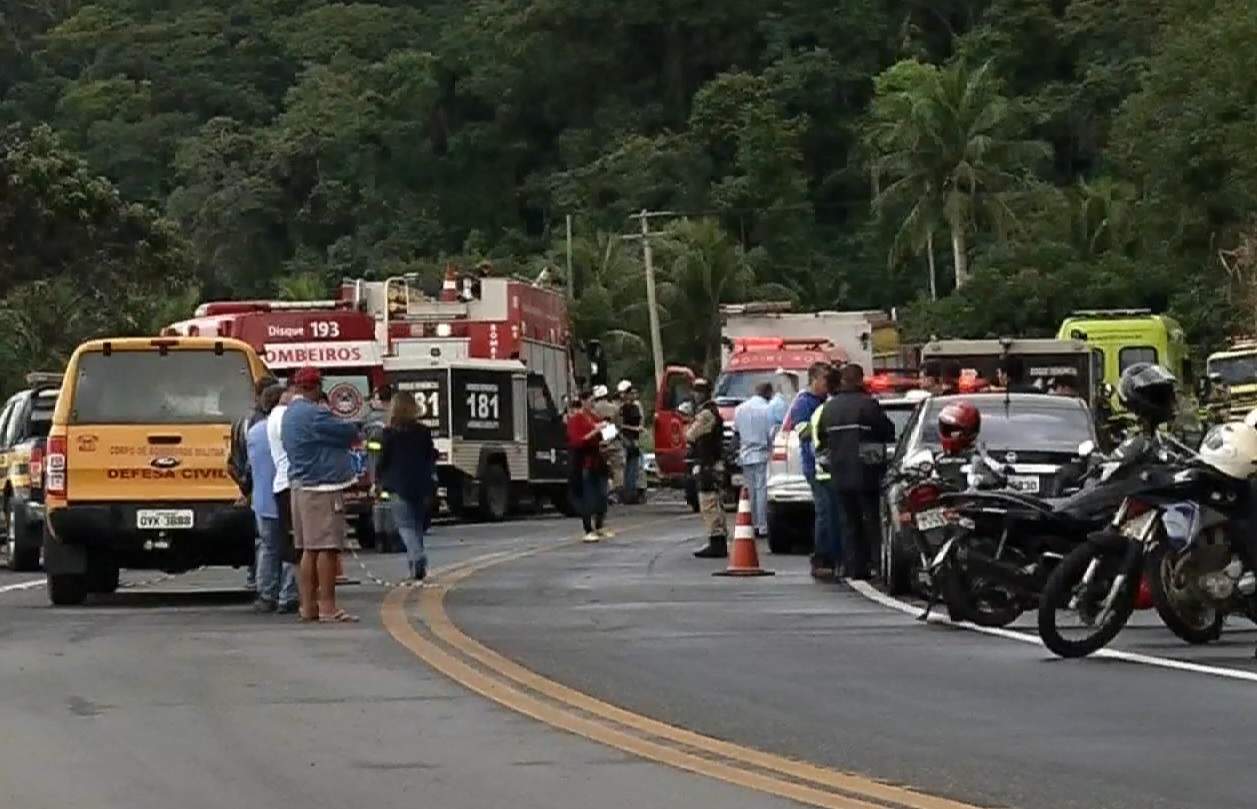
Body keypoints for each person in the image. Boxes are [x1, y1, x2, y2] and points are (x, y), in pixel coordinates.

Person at [282, 366, 362, 623]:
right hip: (322, 488)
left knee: (307, 550)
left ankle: (308, 606)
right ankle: (328, 606)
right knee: (327, 548)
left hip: (301, 486)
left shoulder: (290, 413)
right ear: (314, 386)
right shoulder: (314, 414)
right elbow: (349, 433)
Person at [817, 363, 895, 581]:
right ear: (860, 380)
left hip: (840, 473)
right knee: (872, 521)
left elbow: (822, 439)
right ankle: (878, 566)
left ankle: (855, 568)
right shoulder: (868, 405)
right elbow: (888, 432)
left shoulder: (829, 409)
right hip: (867, 472)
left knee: (848, 522)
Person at [376, 391, 437, 583]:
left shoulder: (388, 434)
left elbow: (382, 460)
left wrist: (378, 480)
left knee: (405, 526)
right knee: (417, 526)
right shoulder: (423, 432)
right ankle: (415, 568)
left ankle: (417, 558)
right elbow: (431, 456)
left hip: (397, 485)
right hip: (422, 484)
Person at [247, 384, 299, 614]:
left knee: (268, 548)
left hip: (261, 499)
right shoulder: (286, 430)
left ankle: (266, 593)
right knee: (291, 548)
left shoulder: (254, 432)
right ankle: (288, 595)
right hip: (285, 496)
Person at [786, 363, 835, 578]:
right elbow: (803, 432)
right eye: (825, 380)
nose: (828, 384)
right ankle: (821, 556)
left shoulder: (826, 401)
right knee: (824, 512)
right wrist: (823, 423)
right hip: (815, 466)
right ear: (814, 379)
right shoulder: (803, 403)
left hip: (830, 465)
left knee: (832, 511)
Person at [231, 375, 278, 591]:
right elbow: (254, 459)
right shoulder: (262, 423)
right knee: (267, 542)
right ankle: (263, 584)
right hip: (261, 485)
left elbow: (233, 460)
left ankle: (255, 579)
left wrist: (242, 485)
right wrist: (249, 484)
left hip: (249, 485)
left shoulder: (240, 421)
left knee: (260, 539)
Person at [687, 378, 728, 558]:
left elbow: (690, 435)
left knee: (709, 503)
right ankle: (718, 539)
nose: (695, 394)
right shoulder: (710, 411)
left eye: (699, 391)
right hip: (711, 462)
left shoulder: (706, 414)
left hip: (707, 463)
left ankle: (716, 541)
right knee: (713, 502)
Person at [567, 390, 610, 542]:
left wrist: (604, 434)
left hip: (598, 460)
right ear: (584, 401)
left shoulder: (592, 417)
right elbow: (577, 441)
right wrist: (595, 431)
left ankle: (599, 525)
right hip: (584, 461)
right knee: (588, 496)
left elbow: (599, 433)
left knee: (602, 495)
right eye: (591, 400)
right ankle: (588, 528)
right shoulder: (576, 419)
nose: (593, 403)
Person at [733, 382, 774, 537]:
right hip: (762, 453)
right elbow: (771, 433)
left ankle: (751, 522)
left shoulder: (740, 409)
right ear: (768, 393)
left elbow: (736, 433)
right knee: (761, 490)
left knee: (749, 491)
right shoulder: (767, 409)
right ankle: (762, 525)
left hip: (745, 453)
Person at [267, 384, 297, 568]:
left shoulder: (274, 417)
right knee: (294, 543)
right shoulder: (283, 416)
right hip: (289, 483)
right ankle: (289, 592)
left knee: (287, 540)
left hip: (282, 483)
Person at [593, 384, 625, 498]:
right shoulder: (615, 408)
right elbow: (619, 426)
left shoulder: (592, 409)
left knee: (597, 469)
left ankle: (600, 491)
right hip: (613, 442)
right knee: (618, 468)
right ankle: (616, 492)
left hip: (597, 442)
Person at [617, 381, 644, 502]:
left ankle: (632, 492)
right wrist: (633, 429)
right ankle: (627, 493)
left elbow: (640, 421)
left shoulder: (636, 407)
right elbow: (620, 425)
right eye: (630, 393)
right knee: (627, 468)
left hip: (634, 439)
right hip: (626, 438)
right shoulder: (622, 408)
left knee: (634, 467)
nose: (632, 396)